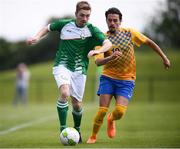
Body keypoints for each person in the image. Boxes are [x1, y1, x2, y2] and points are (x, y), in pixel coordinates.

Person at [26, 1, 112, 143]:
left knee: (77, 104)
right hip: (62, 65)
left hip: (80, 70)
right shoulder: (65, 24)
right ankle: (63, 129)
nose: (84, 18)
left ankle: (77, 130)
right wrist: (36, 37)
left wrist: (98, 50)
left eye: (87, 16)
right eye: (82, 15)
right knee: (65, 93)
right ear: (76, 14)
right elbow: (47, 28)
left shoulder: (92, 29)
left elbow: (107, 43)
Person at [87, 7, 170, 144]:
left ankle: (111, 119)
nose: (112, 23)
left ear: (120, 21)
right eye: (110, 20)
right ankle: (93, 136)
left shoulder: (129, 33)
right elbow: (98, 62)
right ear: (106, 21)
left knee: (119, 112)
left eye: (115, 20)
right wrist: (111, 57)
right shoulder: (102, 38)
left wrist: (164, 57)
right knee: (102, 111)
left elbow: (149, 42)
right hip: (108, 77)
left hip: (126, 79)